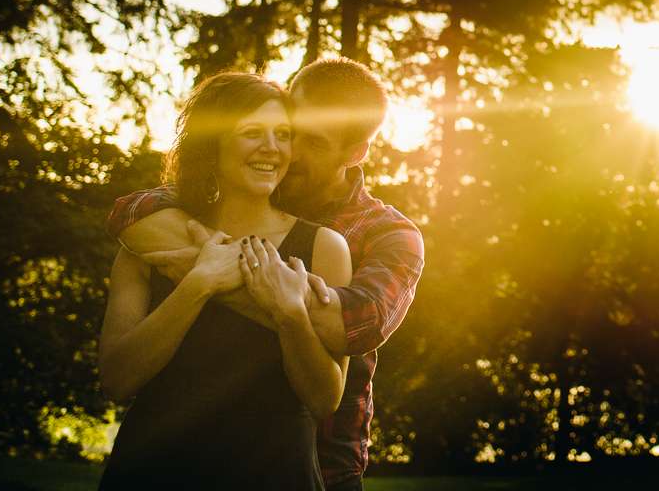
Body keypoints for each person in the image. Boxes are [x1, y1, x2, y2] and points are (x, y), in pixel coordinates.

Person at [108, 57, 425, 491]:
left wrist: (229, 276)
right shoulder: (202, 209)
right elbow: (133, 211)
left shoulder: (384, 235)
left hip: (318, 463)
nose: (284, 152)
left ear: (354, 153)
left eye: (303, 140)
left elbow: (350, 327)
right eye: (271, 131)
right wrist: (213, 274)